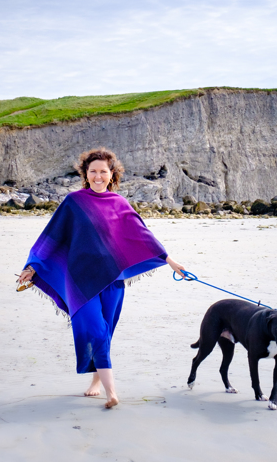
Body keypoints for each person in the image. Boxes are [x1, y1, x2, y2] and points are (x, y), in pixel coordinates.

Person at [16, 148, 186, 408]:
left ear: (112, 174)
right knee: (95, 330)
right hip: (79, 281)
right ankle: (112, 393)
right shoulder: (73, 202)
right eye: (92, 171)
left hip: (113, 281)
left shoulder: (120, 204)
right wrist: (33, 266)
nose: (98, 176)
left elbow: (142, 236)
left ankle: (96, 381)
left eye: (103, 172)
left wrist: (171, 262)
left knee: (105, 333)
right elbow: (51, 238)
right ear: (85, 174)